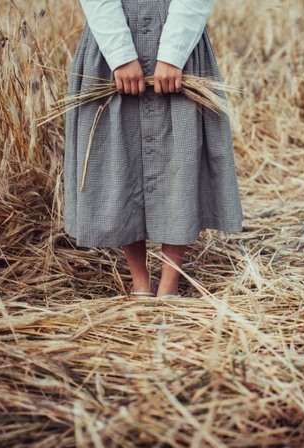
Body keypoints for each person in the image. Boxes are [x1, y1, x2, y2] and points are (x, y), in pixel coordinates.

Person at [64, 0, 243, 297]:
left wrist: (173, 54)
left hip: (178, 42)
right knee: (120, 154)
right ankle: (140, 282)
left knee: (181, 154)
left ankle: (169, 283)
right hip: (111, 44)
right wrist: (120, 56)